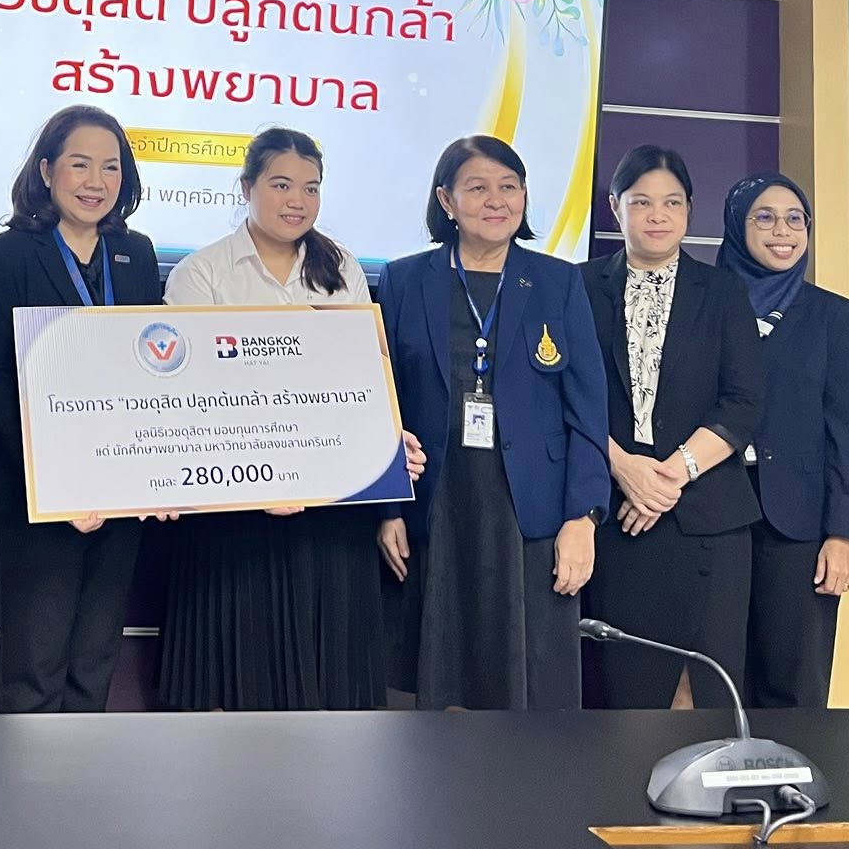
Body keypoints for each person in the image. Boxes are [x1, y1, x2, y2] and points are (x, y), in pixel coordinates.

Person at [159, 127, 424, 711]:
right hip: (232, 513)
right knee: (237, 689)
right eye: (281, 185)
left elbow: (364, 378)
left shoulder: (342, 267)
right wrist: (265, 478)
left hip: (329, 512)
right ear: (247, 187)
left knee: (328, 694)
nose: (297, 201)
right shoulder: (202, 273)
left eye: (311, 187)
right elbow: (189, 396)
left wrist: (386, 444)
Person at [378, 135, 610, 710]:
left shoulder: (558, 282)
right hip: (438, 502)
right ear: (446, 200)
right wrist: (388, 507)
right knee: (436, 678)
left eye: (509, 187)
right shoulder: (405, 280)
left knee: (532, 689)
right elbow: (385, 400)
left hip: (532, 506)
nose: (496, 200)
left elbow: (587, 409)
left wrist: (582, 517)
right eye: (477, 188)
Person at [0, 106, 165, 712]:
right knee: (33, 669)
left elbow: (154, 372)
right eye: (80, 165)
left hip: (118, 497)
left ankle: (79, 775)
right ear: (47, 170)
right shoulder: (9, 254)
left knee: (93, 663)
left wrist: (154, 471)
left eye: (111, 167)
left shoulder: (136, 254)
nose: (95, 182)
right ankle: (23, 778)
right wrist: (57, 485)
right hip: (37, 496)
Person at [582, 145, 764, 710]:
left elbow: (744, 401)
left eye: (672, 202)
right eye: (641, 202)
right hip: (616, 519)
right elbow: (565, 395)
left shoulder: (725, 291)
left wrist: (668, 476)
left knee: (699, 694)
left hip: (707, 517)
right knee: (622, 696)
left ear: (689, 209)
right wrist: (624, 468)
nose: (657, 215)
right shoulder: (578, 287)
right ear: (616, 207)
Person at [719, 172, 849, 709]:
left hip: (801, 524)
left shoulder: (832, 315)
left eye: (795, 219)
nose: (782, 231)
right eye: (764, 217)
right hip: (713, 514)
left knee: (796, 684)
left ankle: (792, 768)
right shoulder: (704, 305)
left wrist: (843, 533)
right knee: (718, 681)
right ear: (737, 226)